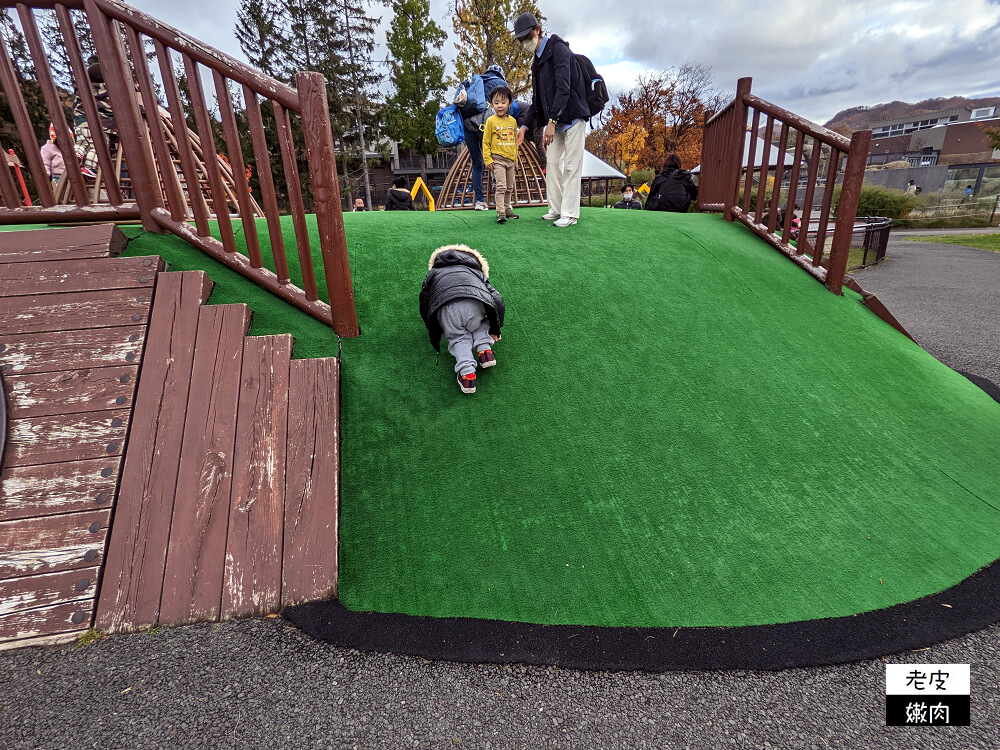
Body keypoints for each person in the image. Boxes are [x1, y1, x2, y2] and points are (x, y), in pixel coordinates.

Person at [513, 12, 590, 228]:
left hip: (573, 116)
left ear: (537, 30)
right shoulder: (536, 63)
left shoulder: (559, 50)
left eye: (526, 37)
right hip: (554, 122)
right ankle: (555, 209)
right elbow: (537, 101)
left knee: (572, 166)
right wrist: (524, 126)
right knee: (554, 163)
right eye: (521, 40)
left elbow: (563, 89)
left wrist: (552, 121)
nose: (524, 43)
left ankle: (570, 213)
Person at [419, 244, 505, 394]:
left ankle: (467, 375)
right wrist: (496, 328)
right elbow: (496, 298)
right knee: (479, 324)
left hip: (447, 308)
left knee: (458, 337)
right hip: (474, 303)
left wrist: (431, 325)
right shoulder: (475, 271)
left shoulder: (434, 273)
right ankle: (485, 351)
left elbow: (424, 300)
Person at [456, 64, 514, 211]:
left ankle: (480, 201)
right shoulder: (501, 84)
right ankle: (500, 200)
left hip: (468, 125)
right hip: (487, 125)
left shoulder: (476, 81)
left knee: (477, 163)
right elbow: (509, 108)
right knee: (497, 159)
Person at [482, 85, 520, 224]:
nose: (499, 106)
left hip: (510, 160)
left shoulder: (513, 121)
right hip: (497, 159)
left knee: (510, 187)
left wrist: (515, 160)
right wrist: (488, 159)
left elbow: (515, 142)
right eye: (496, 102)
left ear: (509, 103)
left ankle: (507, 208)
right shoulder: (491, 121)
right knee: (501, 186)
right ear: (491, 104)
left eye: (503, 102)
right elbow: (485, 142)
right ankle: (500, 212)